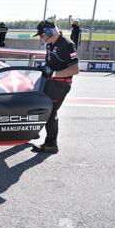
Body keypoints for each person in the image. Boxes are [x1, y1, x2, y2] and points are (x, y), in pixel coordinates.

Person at [31, 18, 80, 154]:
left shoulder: (67, 44)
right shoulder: (50, 43)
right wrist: (44, 68)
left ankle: (51, 145)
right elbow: (52, 63)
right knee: (39, 107)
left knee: (51, 113)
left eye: (42, 34)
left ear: (50, 31)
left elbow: (75, 69)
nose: (41, 38)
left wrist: (53, 74)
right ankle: (33, 132)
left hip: (60, 85)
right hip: (51, 82)